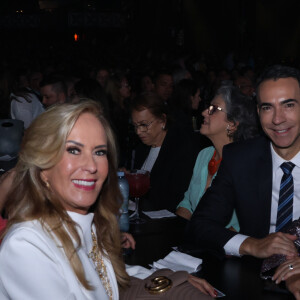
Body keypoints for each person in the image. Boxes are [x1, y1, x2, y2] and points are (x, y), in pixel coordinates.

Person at [0, 101, 215, 299]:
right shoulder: (25, 246)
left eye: (99, 152)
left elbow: (105, 276)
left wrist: (173, 279)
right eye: (74, 150)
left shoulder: (81, 222)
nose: (92, 166)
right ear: (43, 167)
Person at [186, 65, 300, 298]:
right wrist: (252, 245)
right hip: (252, 281)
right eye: (268, 107)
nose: (278, 119)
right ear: (258, 112)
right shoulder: (241, 158)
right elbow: (200, 226)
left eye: (288, 105)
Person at [176, 85, 259, 227]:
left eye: (213, 109)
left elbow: (241, 227)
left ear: (232, 124)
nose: (203, 113)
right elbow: (187, 203)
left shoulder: (245, 165)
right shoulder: (204, 154)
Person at [130, 92, 201, 212]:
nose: (138, 131)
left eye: (144, 125)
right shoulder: (141, 149)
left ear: (162, 120)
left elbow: (177, 199)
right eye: (135, 126)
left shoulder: (180, 149)